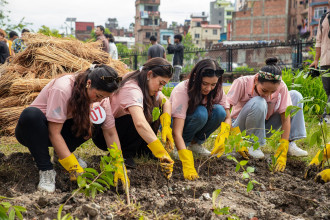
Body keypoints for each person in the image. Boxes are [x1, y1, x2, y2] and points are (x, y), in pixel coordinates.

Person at [15, 64, 128, 193]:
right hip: (36, 132)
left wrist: (118, 162)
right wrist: (73, 167)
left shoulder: (101, 100)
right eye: (98, 96)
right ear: (89, 83)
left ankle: (62, 156)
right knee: (31, 115)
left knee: (97, 118)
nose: (99, 100)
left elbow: (110, 133)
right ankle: (46, 170)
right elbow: (54, 132)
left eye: (104, 97)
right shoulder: (63, 89)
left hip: (60, 131)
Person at [226, 57, 307, 172]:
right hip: (240, 128)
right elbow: (226, 109)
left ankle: (290, 144)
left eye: (273, 92)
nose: (268, 96)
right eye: (264, 90)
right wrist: (235, 136)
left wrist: (283, 147)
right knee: (260, 101)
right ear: (256, 80)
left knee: (296, 96)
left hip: (264, 127)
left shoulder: (281, 86)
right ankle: (253, 144)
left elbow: (285, 117)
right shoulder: (242, 82)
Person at [110, 57, 174, 179]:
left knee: (155, 109)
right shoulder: (132, 88)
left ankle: (143, 150)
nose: (161, 88)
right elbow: (139, 123)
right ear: (150, 74)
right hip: (109, 134)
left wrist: (166, 126)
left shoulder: (145, 81)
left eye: (164, 85)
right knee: (139, 115)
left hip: (124, 130)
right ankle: (125, 153)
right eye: (160, 83)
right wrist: (161, 151)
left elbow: (166, 102)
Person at [170, 59, 231, 180]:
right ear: (195, 78)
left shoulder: (217, 90)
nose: (209, 88)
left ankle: (195, 144)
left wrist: (223, 136)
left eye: (213, 84)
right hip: (176, 125)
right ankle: (181, 148)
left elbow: (228, 117)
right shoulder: (182, 90)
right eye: (204, 83)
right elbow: (176, 131)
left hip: (195, 121)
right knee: (201, 113)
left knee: (219, 111)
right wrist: (186, 161)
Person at [309, 1, 330, 125]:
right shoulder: (323, 18)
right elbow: (318, 41)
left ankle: (326, 116)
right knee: (328, 90)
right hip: (325, 61)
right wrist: (316, 59)